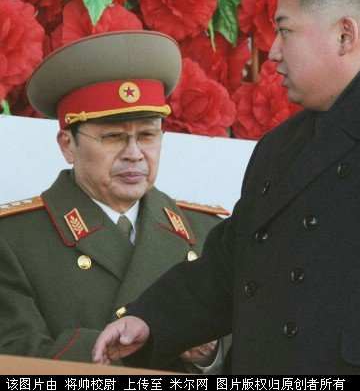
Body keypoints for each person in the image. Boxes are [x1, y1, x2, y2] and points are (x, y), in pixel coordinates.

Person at [92, 0, 360, 375]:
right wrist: (150, 321)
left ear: (344, 35)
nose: (274, 51)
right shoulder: (280, 145)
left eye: (285, 31)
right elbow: (230, 267)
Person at [0, 30, 229, 372]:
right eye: (113, 137)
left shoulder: (207, 231)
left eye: (147, 135)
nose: (134, 154)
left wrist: (210, 355)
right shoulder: (14, 239)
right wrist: (125, 349)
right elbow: (15, 360)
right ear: (67, 145)